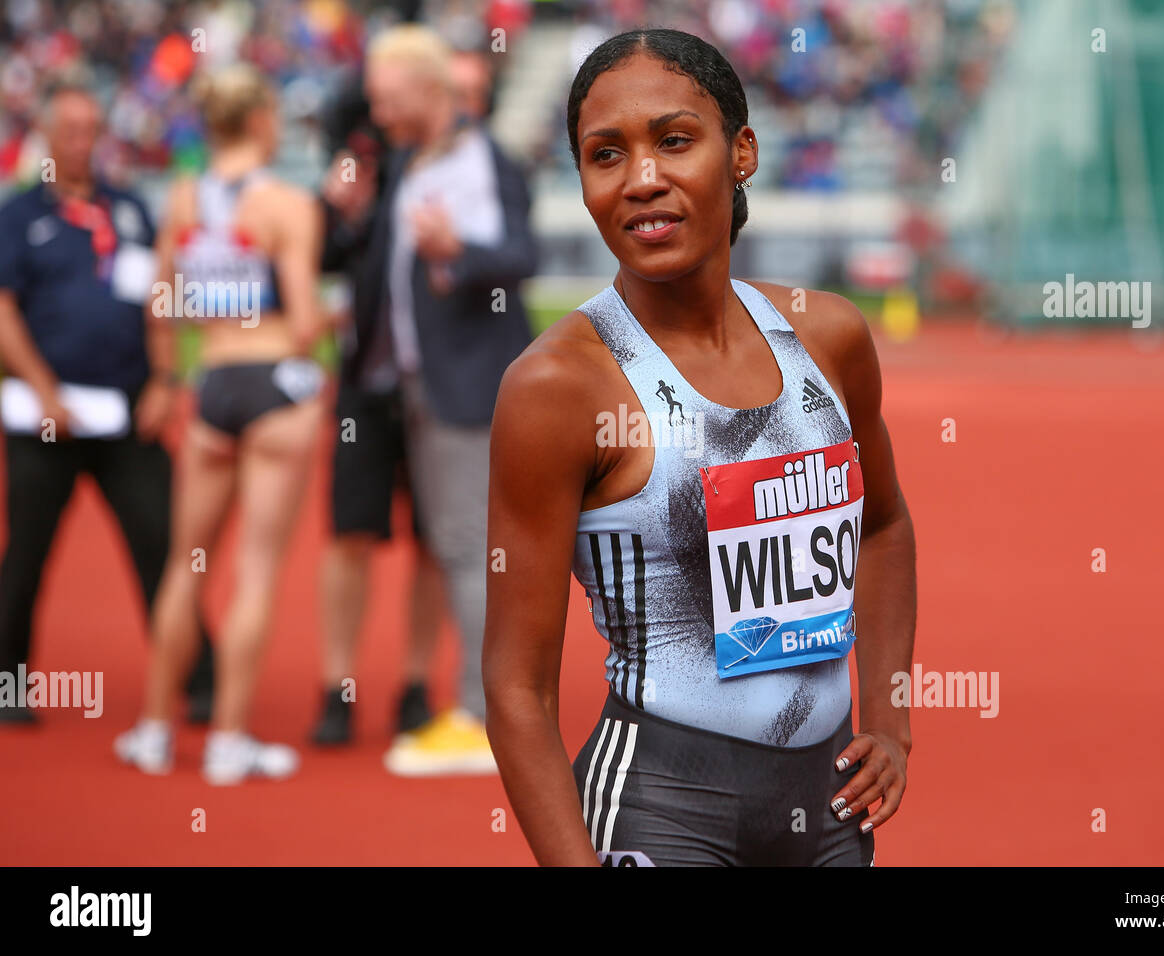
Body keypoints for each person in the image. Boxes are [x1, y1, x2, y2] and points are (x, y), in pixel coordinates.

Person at [483, 29, 917, 866]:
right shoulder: (558, 389)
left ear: (741, 151)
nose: (643, 179)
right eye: (606, 154)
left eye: (675, 141)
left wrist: (892, 722)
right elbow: (516, 687)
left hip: (828, 814)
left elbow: (886, 526)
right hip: (660, 810)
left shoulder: (828, 337)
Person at [114, 64, 325, 784]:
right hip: (272, 385)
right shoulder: (289, 205)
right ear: (263, 120)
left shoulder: (179, 200)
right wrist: (335, 319)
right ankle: (229, 741)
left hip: (211, 387)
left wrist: (169, 379)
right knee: (256, 571)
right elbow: (300, 326)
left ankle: (152, 730)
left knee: (185, 565)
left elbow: (159, 308)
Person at [340, 25, 537, 776]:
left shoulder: (485, 158)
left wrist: (459, 251)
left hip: (470, 384)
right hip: (417, 384)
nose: (378, 113)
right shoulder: (407, 160)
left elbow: (523, 255)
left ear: (429, 90)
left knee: (467, 548)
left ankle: (486, 718)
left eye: (389, 99)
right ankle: (483, 707)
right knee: (457, 546)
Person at [0, 72, 214, 725]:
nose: (83, 141)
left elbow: (160, 299)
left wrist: (165, 381)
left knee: (164, 545)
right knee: (28, 552)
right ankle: (9, 686)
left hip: (127, 415)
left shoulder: (129, 209)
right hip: (45, 418)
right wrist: (44, 391)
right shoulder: (18, 216)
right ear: (45, 137)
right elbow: (4, 310)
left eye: (92, 130)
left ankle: (198, 681)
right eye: (70, 130)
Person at [311, 65, 444, 747]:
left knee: (433, 540)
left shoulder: (449, 161)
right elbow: (324, 257)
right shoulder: (354, 160)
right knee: (349, 532)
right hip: (366, 382)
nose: (386, 113)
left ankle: (416, 685)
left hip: (435, 387)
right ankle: (337, 688)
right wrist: (341, 212)